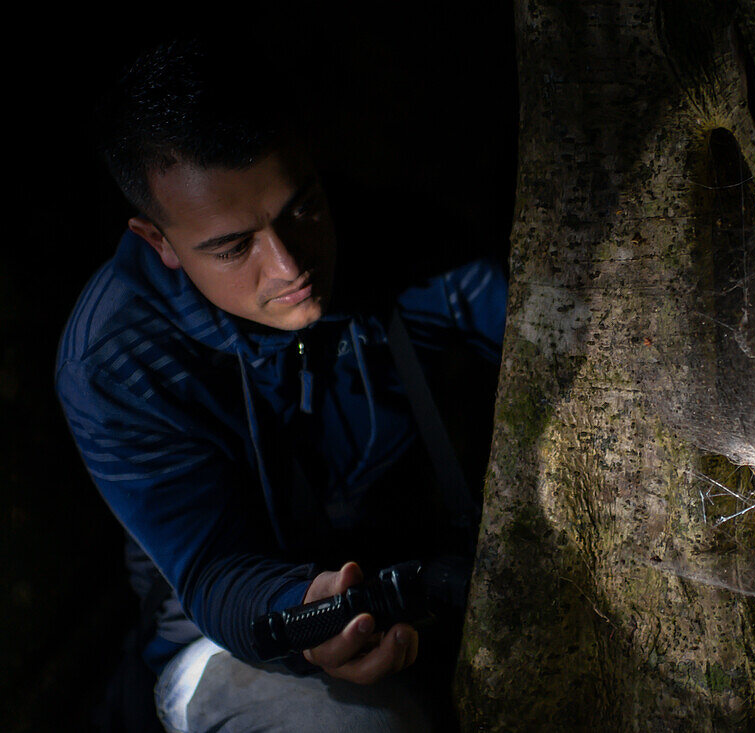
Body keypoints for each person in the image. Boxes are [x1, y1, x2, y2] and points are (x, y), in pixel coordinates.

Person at [55, 38, 506, 732]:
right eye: (235, 247)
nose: (289, 263)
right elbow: (214, 570)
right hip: (222, 641)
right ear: (159, 241)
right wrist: (307, 610)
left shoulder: (395, 242)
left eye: (302, 208)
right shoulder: (115, 360)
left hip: (415, 594)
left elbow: (545, 324)